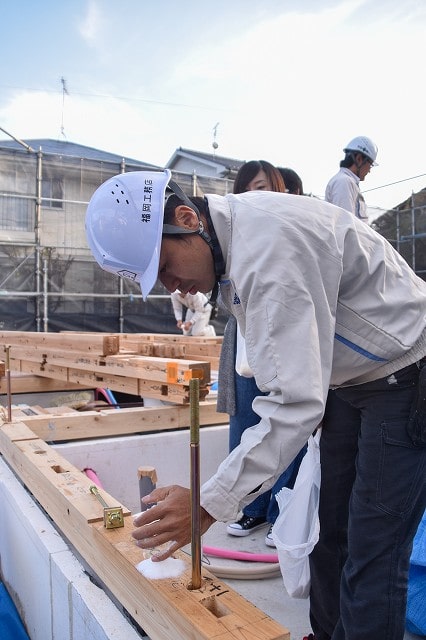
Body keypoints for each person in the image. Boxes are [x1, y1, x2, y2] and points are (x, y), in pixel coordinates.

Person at [86, 169, 426, 640]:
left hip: (405, 373)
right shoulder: (228, 244)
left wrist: (206, 505)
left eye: (163, 266)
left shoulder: (267, 252)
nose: (172, 287)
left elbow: (293, 403)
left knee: (373, 547)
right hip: (349, 380)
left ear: (187, 218)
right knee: (331, 536)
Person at [219, 160, 305, 547]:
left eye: (268, 187)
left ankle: (279, 513)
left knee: (284, 426)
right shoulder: (231, 233)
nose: (262, 193)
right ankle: (252, 508)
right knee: (245, 425)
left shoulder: (287, 228)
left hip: (281, 336)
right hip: (244, 341)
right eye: (254, 186)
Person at [325, 135, 378, 222]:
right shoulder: (344, 182)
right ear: (359, 159)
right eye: (371, 164)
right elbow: (345, 226)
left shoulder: (348, 182)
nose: (369, 171)